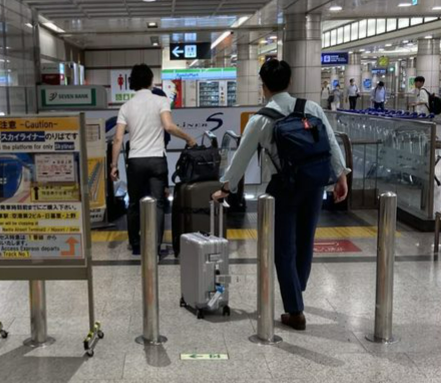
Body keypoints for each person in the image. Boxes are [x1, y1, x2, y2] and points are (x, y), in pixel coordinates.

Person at [212, 59, 348, 330]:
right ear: (290, 82)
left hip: (283, 188)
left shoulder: (261, 119)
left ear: (263, 86)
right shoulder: (311, 108)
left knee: (283, 249)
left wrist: (226, 187)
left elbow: (241, 158)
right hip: (314, 184)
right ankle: (297, 288)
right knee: (305, 241)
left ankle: (295, 310)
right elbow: (331, 142)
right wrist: (341, 175)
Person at [111, 64, 196, 255]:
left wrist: (113, 165)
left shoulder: (126, 107)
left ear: (133, 82)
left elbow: (117, 139)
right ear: (151, 81)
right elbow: (169, 126)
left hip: (135, 161)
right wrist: (189, 139)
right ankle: (155, 248)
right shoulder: (160, 101)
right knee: (158, 203)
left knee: (134, 203)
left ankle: (135, 244)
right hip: (157, 159)